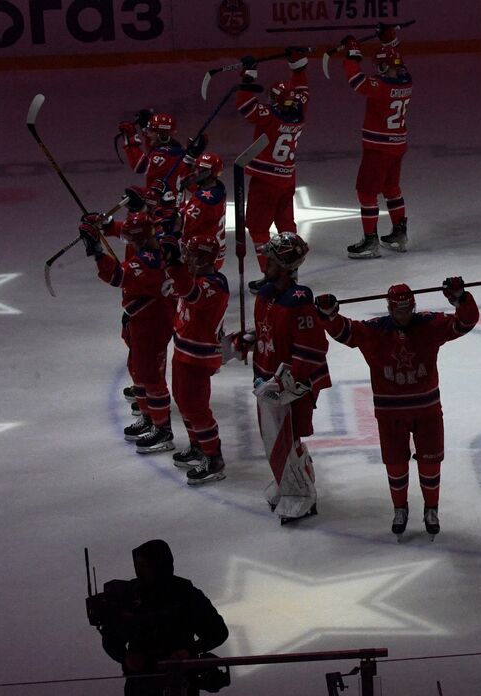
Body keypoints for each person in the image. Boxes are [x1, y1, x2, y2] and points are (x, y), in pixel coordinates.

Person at [316, 278, 479, 539]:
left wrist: (461, 298)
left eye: (407, 310)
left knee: (430, 462)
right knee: (395, 463)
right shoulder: (374, 330)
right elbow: (344, 331)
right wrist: (328, 313)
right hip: (390, 413)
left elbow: (465, 322)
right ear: (390, 309)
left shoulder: (429, 324)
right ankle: (400, 508)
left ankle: (431, 509)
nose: (403, 315)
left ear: (413, 307)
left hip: (426, 409)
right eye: (398, 310)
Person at [234, 233, 331, 524]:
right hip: (264, 380)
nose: (265, 263)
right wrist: (251, 338)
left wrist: (290, 380)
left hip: (286, 387)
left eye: (272, 260)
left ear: (286, 265)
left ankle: (300, 494)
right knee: (274, 440)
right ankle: (289, 482)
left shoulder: (299, 300)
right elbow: (269, 331)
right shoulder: (266, 295)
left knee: (285, 440)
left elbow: (313, 347)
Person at [80, 210, 176, 454]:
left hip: (152, 322)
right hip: (142, 317)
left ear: (140, 240)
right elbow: (131, 228)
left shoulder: (148, 262)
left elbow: (115, 276)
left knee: (152, 377)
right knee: (138, 369)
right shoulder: (159, 240)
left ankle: (163, 429)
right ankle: (148, 415)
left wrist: (95, 249)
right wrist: (106, 224)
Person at [97, 539, 228, 696]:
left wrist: (188, 651)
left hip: (182, 682)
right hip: (140, 684)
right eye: (137, 565)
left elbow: (218, 632)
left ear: (159, 565)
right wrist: (126, 658)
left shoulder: (187, 595)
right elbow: (111, 638)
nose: (139, 570)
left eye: (144, 565)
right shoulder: (129, 594)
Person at [236, 48, 311, 283]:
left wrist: (248, 76)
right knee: (286, 225)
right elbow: (302, 91)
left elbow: (245, 105)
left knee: (258, 229)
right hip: (287, 179)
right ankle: (291, 270)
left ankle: (270, 276)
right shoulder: (300, 112)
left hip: (265, 181)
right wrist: (297, 67)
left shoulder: (268, 116)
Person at [341, 25, 413, 258]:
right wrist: (390, 40)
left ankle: (370, 240)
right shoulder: (406, 81)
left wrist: (352, 54)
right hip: (397, 146)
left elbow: (356, 81)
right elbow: (396, 59)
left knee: (366, 192)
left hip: (378, 148)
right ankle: (400, 232)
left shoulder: (380, 86)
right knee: (392, 188)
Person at [167, 235, 229, 485]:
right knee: (182, 399)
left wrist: (174, 264)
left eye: (191, 255)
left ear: (204, 258)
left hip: (198, 357)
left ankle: (213, 457)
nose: (186, 259)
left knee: (197, 407)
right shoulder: (196, 278)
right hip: (183, 350)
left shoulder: (214, 285)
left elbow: (190, 293)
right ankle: (198, 446)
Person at [176, 149, 227, 269]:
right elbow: (196, 188)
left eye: (199, 169)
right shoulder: (218, 188)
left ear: (208, 173)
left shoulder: (202, 201)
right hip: (214, 251)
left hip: (201, 255)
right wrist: (187, 163)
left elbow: (179, 226)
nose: (195, 172)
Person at [117, 110, 184, 190]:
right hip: (168, 199)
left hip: (162, 201)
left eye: (151, 131)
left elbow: (139, 166)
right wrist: (145, 126)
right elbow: (153, 149)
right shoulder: (173, 151)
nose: (148, 134)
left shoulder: (164, 155)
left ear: (162, 134)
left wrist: (130, 138)